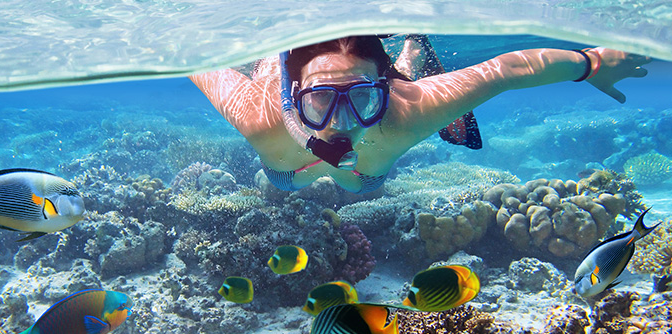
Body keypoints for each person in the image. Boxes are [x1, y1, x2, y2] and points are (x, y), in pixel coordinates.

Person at [189, 35, 650, 194]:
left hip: (366, 173)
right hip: (289, 167)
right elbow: (193, 59)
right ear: (292, 96)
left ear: (382, 90)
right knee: (288, 178)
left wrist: (591, 63)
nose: (341, 122)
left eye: (364, 99)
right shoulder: (260, 115)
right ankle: (408, 56)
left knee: (355, 181)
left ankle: (408, 56)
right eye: (321, 99)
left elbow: (505, 71)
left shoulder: (405, 112)